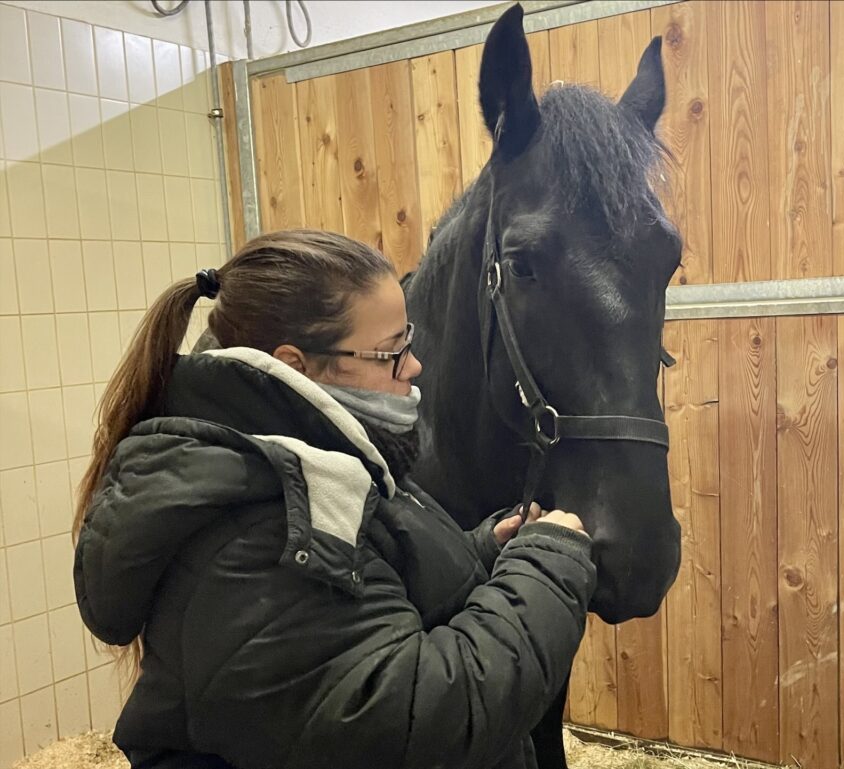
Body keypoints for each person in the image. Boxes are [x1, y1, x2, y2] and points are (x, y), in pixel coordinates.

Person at [73, 229, 595, 769]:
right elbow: (418, 722)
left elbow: (362, 595)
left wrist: (484, 551)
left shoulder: (314, 454)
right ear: (295, 365)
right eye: (393, 352)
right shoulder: (257, 532)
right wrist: (544, 570)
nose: (414, 367)